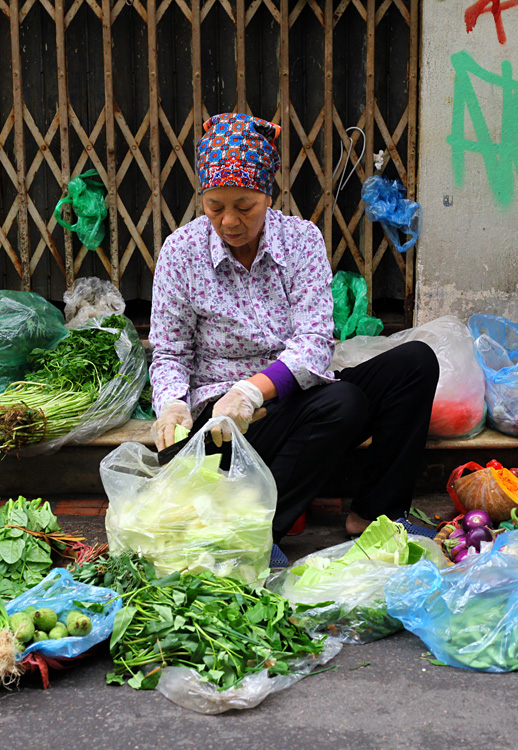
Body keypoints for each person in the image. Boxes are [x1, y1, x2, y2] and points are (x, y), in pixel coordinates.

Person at [149, 112, 439, 564]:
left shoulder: (300, 240)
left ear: (268, 193)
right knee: (343, 404)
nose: (228, 221)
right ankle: (257, 536)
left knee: (415, 363)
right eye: (214, 206)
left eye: (244, 205)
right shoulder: (181, 253)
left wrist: (254, 389)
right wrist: (172, 403)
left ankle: (375, 511)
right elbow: (169, 351)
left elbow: (315, 341)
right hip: (224, 424)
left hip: (289, 391)